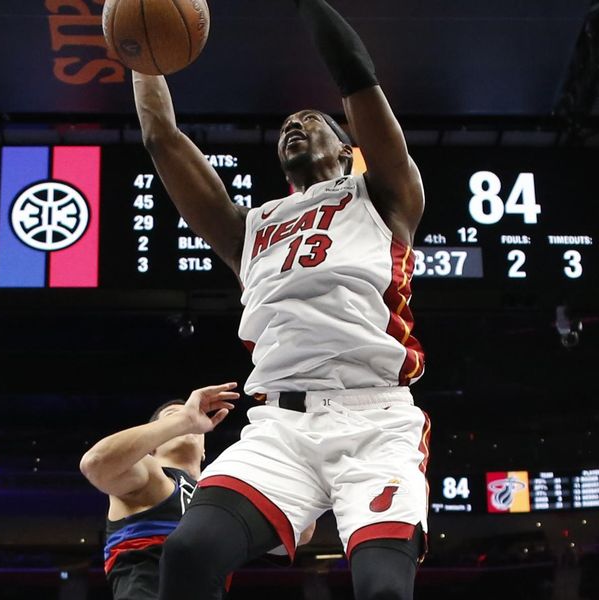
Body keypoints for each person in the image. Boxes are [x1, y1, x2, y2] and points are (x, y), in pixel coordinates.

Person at [131, 1, 431, 598]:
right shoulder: (250, 226)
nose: (294, 125)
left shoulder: (384, 195)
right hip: (280, 427)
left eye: (312, 119)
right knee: (187, 552)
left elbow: (354, 74)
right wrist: (141, 56)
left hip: (374, 420)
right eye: (286, 126)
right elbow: (161, 138)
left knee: (384, 591)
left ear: (347, 151)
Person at [79, 383, 238, 600]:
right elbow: (95, 463)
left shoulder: (220, 500)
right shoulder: (150, 476)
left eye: (192, 417)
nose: (189, 419)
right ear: (152, 446)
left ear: (204, 451)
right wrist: (184, 421)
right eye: (173, 416)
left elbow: (299, 535)